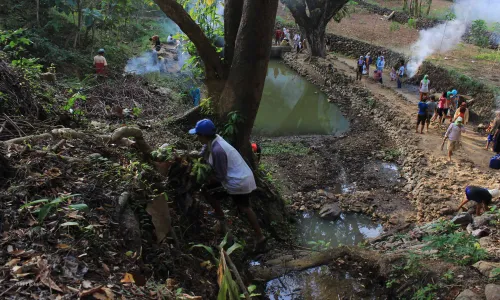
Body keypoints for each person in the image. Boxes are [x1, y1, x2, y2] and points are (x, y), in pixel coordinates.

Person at [189, 119, 266, 250]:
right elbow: (203, 151)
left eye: (198, 135)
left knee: (244, 207)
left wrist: (201, 178)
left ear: (204, 135)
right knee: (243, 206)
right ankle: (222, 216)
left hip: (238, 181)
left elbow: (220, 176)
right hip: (240, 177)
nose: (197, 137)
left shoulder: (218, 150)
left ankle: (260, 236)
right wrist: (195, 157)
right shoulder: (213, 140)